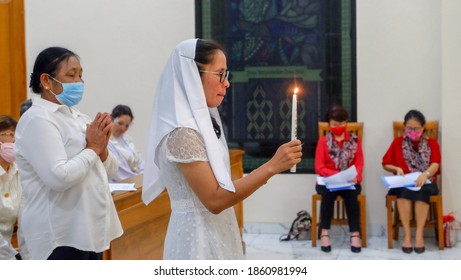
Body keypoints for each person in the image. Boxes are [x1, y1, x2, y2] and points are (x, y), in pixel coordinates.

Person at [142, 38, 302, 260]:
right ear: (193, 77)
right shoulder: (182, 134)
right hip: (197, 239)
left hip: (217, 229)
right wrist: (272, 166)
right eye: (220, 74)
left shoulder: (203, 123)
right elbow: (214, 200)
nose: (227, 83)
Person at [15, 47, 123, 260]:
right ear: (46, 81)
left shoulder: (79, 117)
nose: (79, 82)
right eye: (71, 75)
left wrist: (101, 150)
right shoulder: (38, 119)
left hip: (88, 230)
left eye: (81, 75)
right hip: (58, 236)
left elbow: (111, 171)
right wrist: (92, 148)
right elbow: (59, 177)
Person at [382, 109, 440, 254]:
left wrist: (425, 175)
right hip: (404, 182)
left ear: (423, 127)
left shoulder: (431, 143)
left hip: (425, 181)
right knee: (404, 192)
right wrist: (396, 168)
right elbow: (385, 163)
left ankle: (419, 235)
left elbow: (435, 164)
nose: (412, 131)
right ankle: (407, 235)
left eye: (416, 128)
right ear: (404, 127)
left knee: (422, 191)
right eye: (409, 128)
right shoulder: (397, 143)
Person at [314, 105, 364, 253]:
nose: (338, 127)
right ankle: (324, 232)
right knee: (328, 195)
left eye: (342, 124)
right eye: (335, 124)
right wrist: (334, 175)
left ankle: (355, 233)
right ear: (329, 124)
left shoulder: (355, 140)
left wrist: (356, 176)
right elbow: (319, 167)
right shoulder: (323, 141)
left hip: (348, 182)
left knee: (352, 196)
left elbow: (359, 163)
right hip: (328, 181)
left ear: (347, 123)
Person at [0, 115, 23, 260]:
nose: (9, 139)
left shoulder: (19, 172)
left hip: (7, 247)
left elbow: (25, 216)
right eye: (3, 134)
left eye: (12, 134)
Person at [107, 104, 144, 182]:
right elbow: (119, 171)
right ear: (111, 119)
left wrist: (144, 174)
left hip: (135, 181)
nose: (123, 128)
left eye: (127, 125)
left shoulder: (127, 139)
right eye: (120, 123)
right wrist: (138, 179)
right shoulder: (107, 142)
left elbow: (139, 160)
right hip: (119, 185)